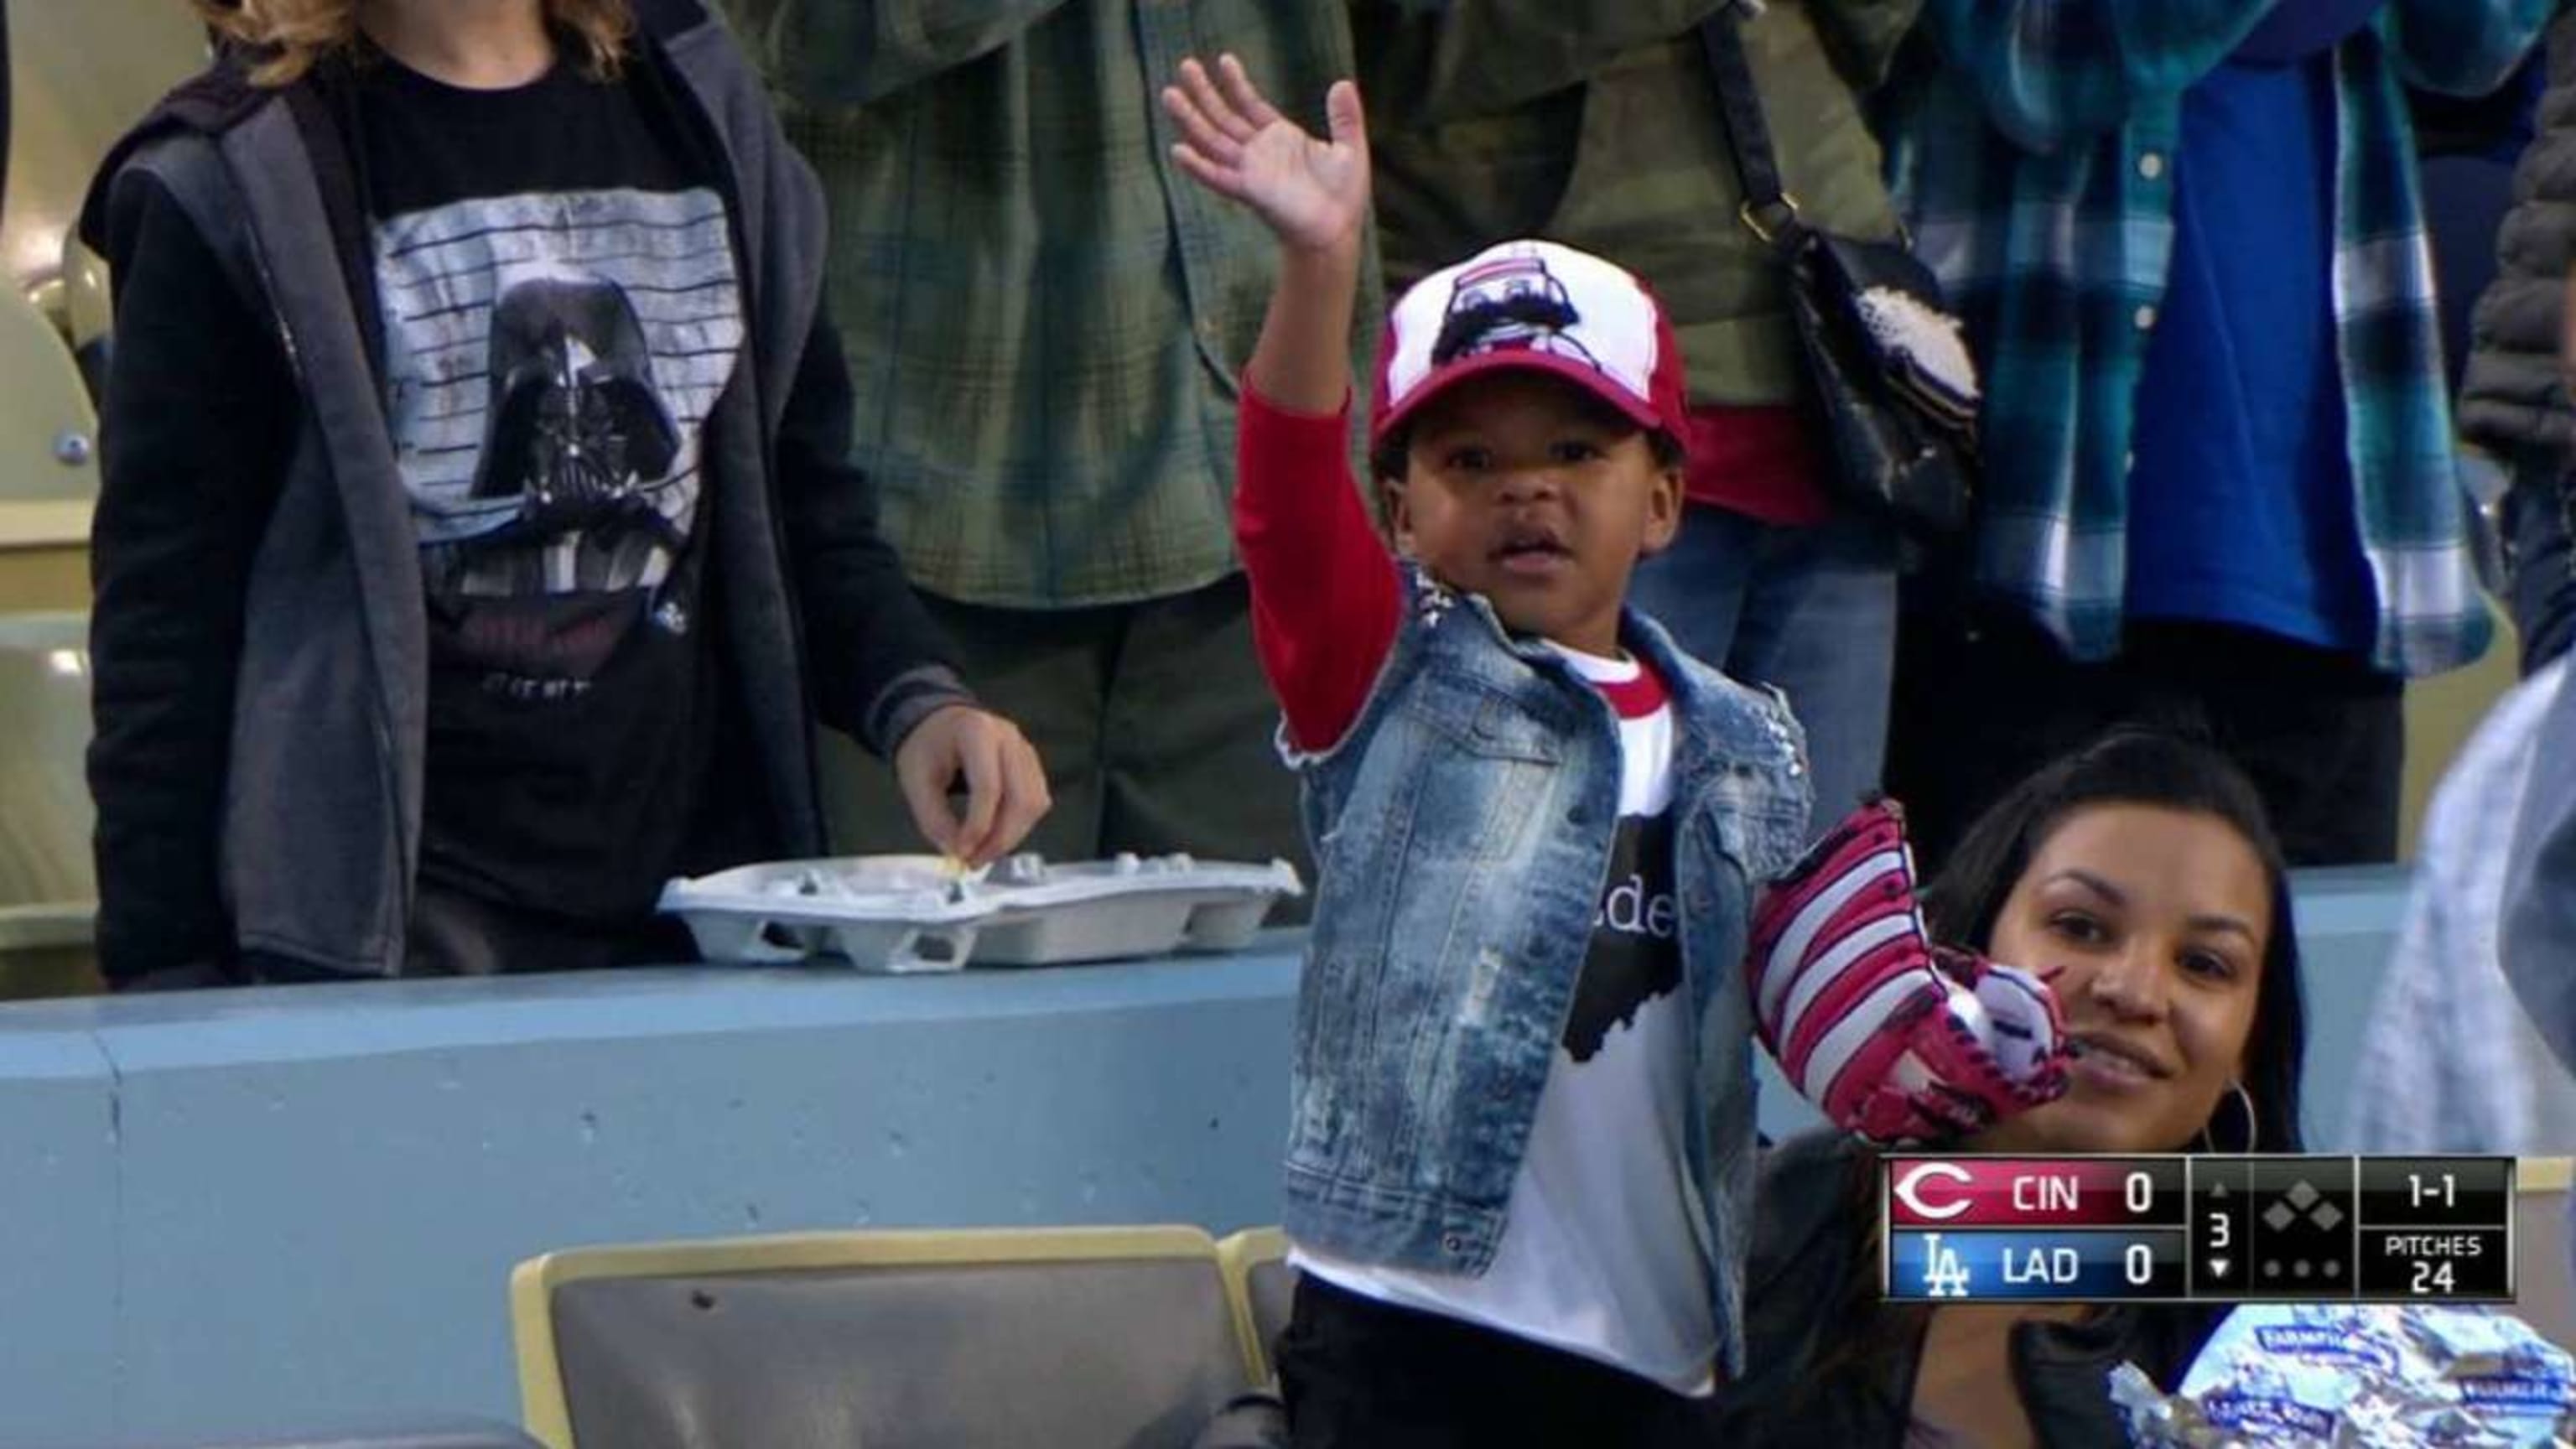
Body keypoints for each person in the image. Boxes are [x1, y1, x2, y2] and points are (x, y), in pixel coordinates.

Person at [1161, 55, 2067, 1446]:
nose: (1523, 485)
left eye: (1575, 448)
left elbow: (1807, 1005)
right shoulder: (1380, 680)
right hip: (1407, 1332)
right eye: (1465, 462)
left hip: (1662, 1339)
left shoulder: (1743, 743)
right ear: (1398, 513)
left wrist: (1935, 1033)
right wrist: (1320, 263)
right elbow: (1284, 498)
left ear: (1661, 498)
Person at [80, 0, 1048, 988]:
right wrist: (168, 980)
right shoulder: (231, 174)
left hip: (702, 915)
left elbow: (806, 503)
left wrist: (920, 702)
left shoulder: (700, 104)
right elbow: (166, 632)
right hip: (390, 945)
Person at [1878, 0, 2551, 870]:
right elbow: (2039, 63)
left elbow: (2472, 45)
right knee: (2009, 992)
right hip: (2043, 566)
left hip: (2334, 570)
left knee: (2318, 996)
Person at [711, 0, 1367, 887]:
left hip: (1266, 531)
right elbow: (805, 39)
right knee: (928, 1016)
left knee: (1288, 1007)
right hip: (921, 551)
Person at [1350, 0, 1923, 833]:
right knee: (1553, 900)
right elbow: (1375, 58)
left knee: (1821, 917)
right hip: (1543, 402)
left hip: (1836, 387)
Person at [1717, 730, 2311, 1448]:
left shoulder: (2305, 1313)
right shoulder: (1758, 1229)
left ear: (2247, 1049)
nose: (2134, 991)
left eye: (2205, 964)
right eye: (2080, 926)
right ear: (1970, 942)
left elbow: (2469, 1237)